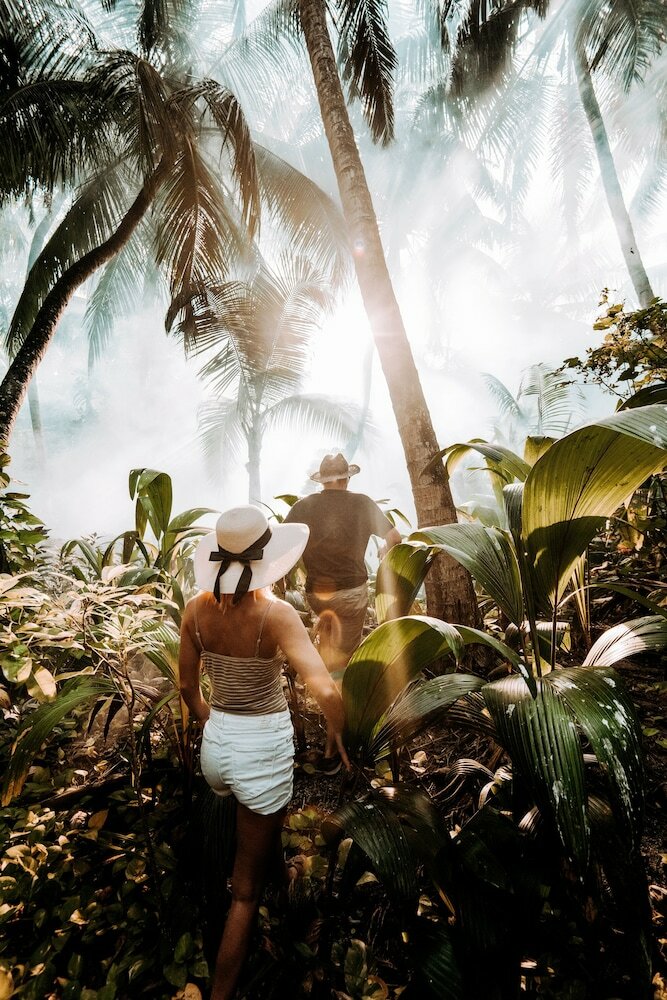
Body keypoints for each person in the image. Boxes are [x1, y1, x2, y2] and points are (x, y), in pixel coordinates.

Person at [178, 504, 350, 1000]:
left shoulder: (194, 609)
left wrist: (218, 727)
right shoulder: (275, 615)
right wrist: (337, 734)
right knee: (244, 894)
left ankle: (279, 872)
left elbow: (189, 689)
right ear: (266, 561)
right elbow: (325, 689)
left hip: (219, 748)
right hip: (261, 748)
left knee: (258, 816)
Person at [284, 453, 401, 771]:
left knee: (328, 664)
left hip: (318, 598)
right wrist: (383, 556)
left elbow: (283, 547)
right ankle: (336, 749)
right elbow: (394, 539)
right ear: (346, 478)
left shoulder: (303, 506)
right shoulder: (363, 503)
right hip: (351, 595)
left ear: (322, 480)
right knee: (342, 668)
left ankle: (333, 742)